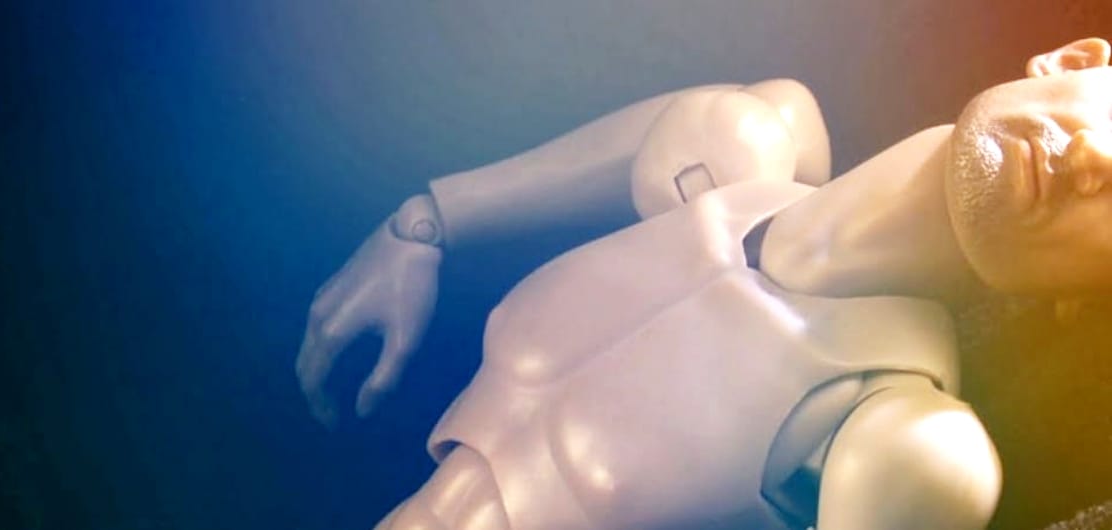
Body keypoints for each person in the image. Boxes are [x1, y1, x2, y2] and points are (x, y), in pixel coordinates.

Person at [295, 37, 1111, 530]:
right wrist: (421, 227)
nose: (1093, 162)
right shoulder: (726, 151)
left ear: (1079, 294)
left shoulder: (905, 445)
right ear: (1073, 61)